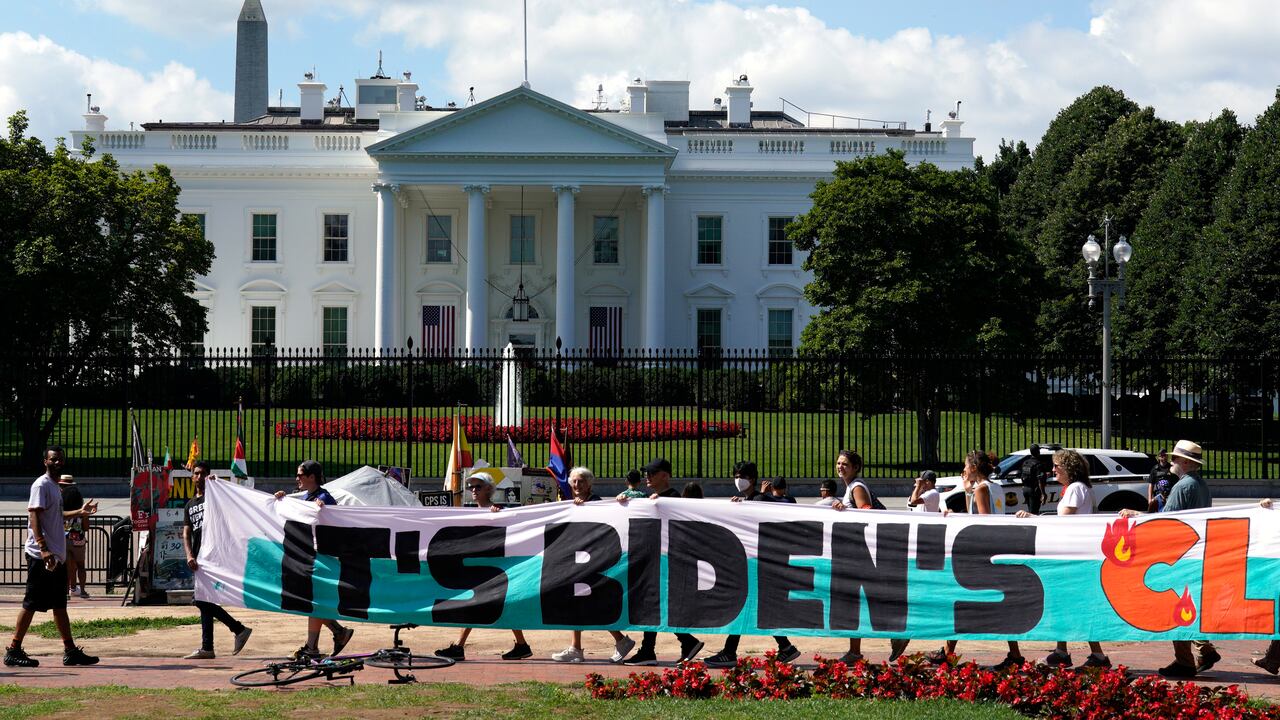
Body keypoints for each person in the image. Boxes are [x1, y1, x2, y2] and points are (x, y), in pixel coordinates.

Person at [1119, 440, 1218, 679]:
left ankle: (1189, 658)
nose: (1171, 462)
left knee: (1174, 606)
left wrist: (1137, 514)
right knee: (1184, 603)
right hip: (1194, 552)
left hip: (1179, 554)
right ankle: (1199, 651)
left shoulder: (1183, 486)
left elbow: (1167, 520)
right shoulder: (1201, 485)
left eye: (1175, 458)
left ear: (1185, 462)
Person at [927, 450, 1024, 670]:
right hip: (995, 549)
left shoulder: (981, 489)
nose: (963, 470)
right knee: (982, 603)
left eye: (965, 466)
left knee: (961, 600)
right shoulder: (995, 487)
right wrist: (967, 493)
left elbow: (981, 520)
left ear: (973, 467)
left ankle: (948, 653)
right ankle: (1014, 654)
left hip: (981, 552)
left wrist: (966, 500)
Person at [4, 447, 99, 668]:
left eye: (60, 460)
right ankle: (14, 649)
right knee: (31, 603)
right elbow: (34, 515)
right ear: (45, 461)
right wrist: (43, 548)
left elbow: (56, 515)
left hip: (56, 556)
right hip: (41, 556)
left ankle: (70, 650)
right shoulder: (41, 485)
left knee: (59, 604)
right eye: (53, 459)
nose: (57, 463)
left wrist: (79, 513)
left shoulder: (55, 488)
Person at [1016, 449, 1110, 669]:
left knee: (1074, 605)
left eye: (1057, 466)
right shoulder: (1079, 488)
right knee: (1064, 604)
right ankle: (1063, 651)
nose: (1053, 470)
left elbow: (1064, 521)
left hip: (1072, 556)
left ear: (1069, 468)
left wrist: (1034, 518)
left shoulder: (1076, 489)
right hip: (1073, 553)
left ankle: (1097, 656)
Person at [705, 461, 801, 668]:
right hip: (752, 564)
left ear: (752, 479)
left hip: (758, 565)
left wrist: (744, 505)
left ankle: (731, 652)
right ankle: (785, 647)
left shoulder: (759, 499)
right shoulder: (749, 499)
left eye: (742, 476)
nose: (738, 479)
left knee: (745, 607)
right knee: (754, 608)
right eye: (736, 475)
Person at [436, 476, 531, 661]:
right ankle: (520, 645)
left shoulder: (498, 511)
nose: (473, 490)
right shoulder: (471, 513)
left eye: (478, 487)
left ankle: (460, 647)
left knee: (498, 605)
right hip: (482, 568)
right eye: (471, 487)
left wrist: (498, 514)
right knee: (479, 604)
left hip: (496, 567)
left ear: (489, 489)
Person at [621, 458, 703, 665]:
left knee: (655, 604)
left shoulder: (673, 497)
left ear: (665, 475)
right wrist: (625, 502)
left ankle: (654, 649)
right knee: (654, 605)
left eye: (652, 473)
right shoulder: (650, 497)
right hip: (654, 560)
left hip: (669, 561)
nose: (647, 476)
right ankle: (679, 643)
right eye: (647, 472)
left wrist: (662, 504)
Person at [549, 467, 636, 664]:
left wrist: (588, 507)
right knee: (581, 603)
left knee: (590, 603)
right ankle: (580, 647)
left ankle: (609, 642)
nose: (577, 485)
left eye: (581, 481)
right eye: (574, 482)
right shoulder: (572, 503)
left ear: (589, 484)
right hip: (579, 563)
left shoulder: (595, 503)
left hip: (594, 563)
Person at [274, 460, 355, 660]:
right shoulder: (306, 496)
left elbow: (334, 522)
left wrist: (324, 508)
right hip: (310, 558)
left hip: (323, 560)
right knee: (313, 601)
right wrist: (283, 500)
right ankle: (336, 633)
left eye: (300, 475)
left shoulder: (324, 497)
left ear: (312, 477)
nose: (297, 479)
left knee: (313, 601)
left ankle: (315, 646)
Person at [182, 460, 253, 659]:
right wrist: (189, 554)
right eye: (196, 473)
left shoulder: (215, 497)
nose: (199, 477)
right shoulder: (190, 504)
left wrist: (218, 484)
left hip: (213, 555)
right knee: (204, 600)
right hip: (198, 557)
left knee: (201, 600)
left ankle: (236, 630)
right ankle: (210, 646)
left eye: (203, 473)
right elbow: (186, 533)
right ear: (192, 476)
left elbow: (233, 504)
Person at [57, 474, 90, 599]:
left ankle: (66, 593)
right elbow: (86, 527)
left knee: (65, 567)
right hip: (78, 538)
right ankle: (82, 591)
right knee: (81, 566)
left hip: (63, 538)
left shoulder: (59, 502)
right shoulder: (79, 505)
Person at [1019, 445, 1049, 515]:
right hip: (1034, 490)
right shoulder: (1038, 464)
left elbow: (1022, 475)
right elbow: (1040, 480)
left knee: (1030, 510)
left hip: (1025, 489)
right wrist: (1043, 493)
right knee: (1034, 513)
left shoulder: (1025, 463)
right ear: (1038, 452)